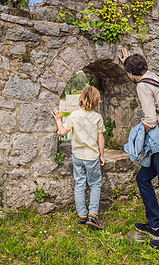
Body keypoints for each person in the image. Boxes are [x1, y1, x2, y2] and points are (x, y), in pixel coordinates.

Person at [118, 48, 159, 250]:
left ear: (130, 74)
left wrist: (138, 134)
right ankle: (154, 226)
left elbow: (151, 120)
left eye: (127, 71)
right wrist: (128, 60)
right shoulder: (155, 76)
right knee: (143, 178)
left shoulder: (142, 86)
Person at [52, 86, 106, 230]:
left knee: (80, 183)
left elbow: (62, 132)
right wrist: (102, 155)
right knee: (95, 184)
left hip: (77, 156)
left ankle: (82, 215)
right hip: (92, 156)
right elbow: (100, 138)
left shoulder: (74, 115)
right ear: (96, 101)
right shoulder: (97, 117)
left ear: (81, 98)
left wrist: (58, 120)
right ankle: (92, 215)